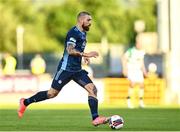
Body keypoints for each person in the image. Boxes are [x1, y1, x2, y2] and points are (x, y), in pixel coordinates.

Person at [18, 11, 109, 126]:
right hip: (65, 69)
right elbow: (70, 50)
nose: (90, 23)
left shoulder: (83, 33)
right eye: (88, 20)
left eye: (91, 20)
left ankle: (95, 118)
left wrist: (83, 58)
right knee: (52, 94)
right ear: (81, 20)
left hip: (77, 70)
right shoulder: (73, 33)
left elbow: (78, 49)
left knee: (93, 89)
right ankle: (25, 102)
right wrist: (85, 54)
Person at [122, 35, 147, 108]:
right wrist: (124, 69)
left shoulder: (142, 52)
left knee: (142, 84)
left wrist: (144, 71)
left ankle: (141, 102)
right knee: (132, 84)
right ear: (136, 43)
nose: (140, 45)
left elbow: (142, 62)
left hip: (138, 71)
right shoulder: (130, 51)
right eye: (138, 43)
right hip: (131, 70)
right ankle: (128, 101)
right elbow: (123, 58)